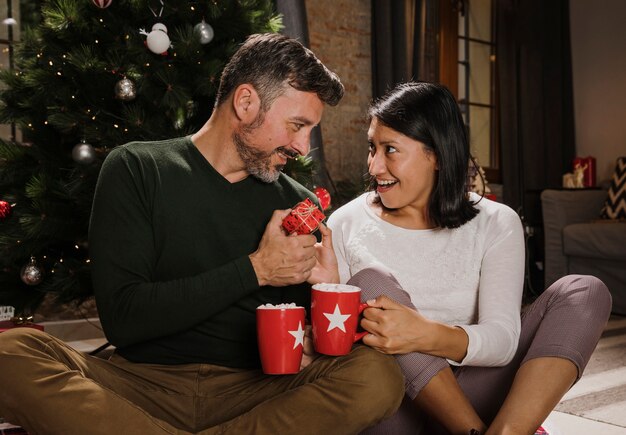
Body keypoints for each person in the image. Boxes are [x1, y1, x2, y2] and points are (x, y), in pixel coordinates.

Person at [0, 33, 404, 434]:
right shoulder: (138, 169)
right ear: (246, 103)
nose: (303, 145)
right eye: (297, 125)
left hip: (255, 395)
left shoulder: (299, 205)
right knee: (9, 353)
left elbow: (307, 354)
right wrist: (257, 269)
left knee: (378, 376)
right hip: (139, 387)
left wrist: (324, 290)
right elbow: (124, 319)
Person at [326, 81, 612, 435]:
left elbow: (503, 341)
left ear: (438, 156)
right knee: (370, 281)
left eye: (390, 150)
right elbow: (334, 345)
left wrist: (423, 334)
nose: (374, 166)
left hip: (479, 388)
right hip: (396, 405)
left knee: (585, 290)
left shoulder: (496, 222)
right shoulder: (345, 223)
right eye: (372, 148)